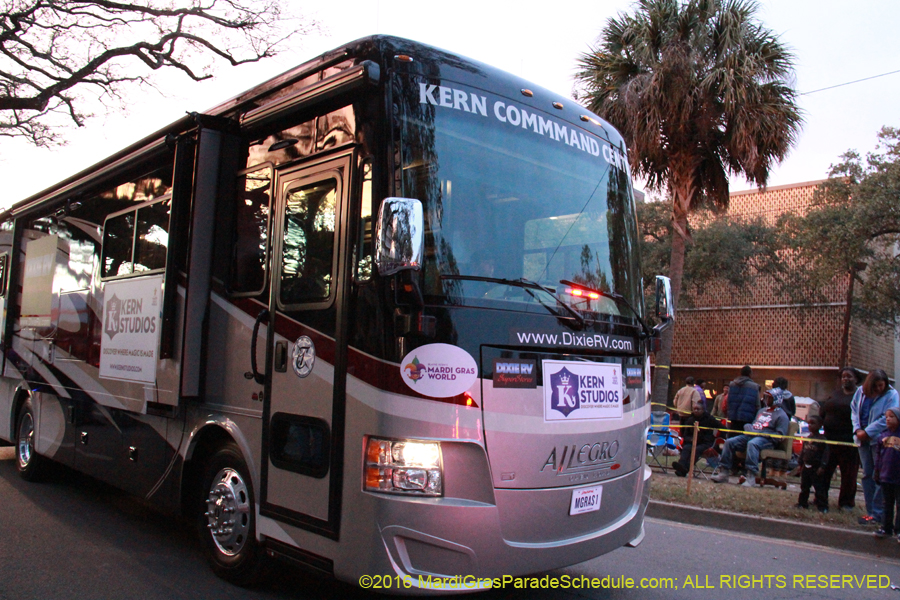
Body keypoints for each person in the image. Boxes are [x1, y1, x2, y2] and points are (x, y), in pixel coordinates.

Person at [851, 369, 900, 526]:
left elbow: (886, 418)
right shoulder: (860, 392)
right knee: (867, 474)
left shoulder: (891, 395)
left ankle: (879, 513)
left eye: (881, 385)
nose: (879, 389)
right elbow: (854, 411)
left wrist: (868, 432)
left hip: (879, 439)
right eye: (876, 386)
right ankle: (871, 511)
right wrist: (857, 430)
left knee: (879, 476)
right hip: (862, 439)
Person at [712, 390, 789, 486]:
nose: (767, 399)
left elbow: (780, 436)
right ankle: (724, 472)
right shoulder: (762, 411)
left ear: (777, 399)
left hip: (766, 440)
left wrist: (763, 434)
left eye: (770, 398)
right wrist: (749, 427)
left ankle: (751, 475)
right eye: (766, 397)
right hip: (751, 435)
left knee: (752, 444)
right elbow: (755, 424)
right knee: (729, 442)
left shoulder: (782, 416)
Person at [820, 367, 861, 511]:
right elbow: (823, 411)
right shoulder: (835, 394)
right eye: (843, 376)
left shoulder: (859, 396)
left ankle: (846, 503)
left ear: (856, 379)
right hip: (829, 439)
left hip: (848, 441)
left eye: (849, 376)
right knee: (824, 471)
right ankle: (821, 499)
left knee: (848, 474)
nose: (845, 379)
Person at [672, 401, 720, 477]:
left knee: (696, 449)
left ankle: (686, 468)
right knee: (686, 447)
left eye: (698, 409)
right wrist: (690, 439)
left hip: (706, 443)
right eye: (694, 409)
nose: (696, 411)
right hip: (692, 441)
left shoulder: (710, 419)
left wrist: (718, 438)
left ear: (703, 410)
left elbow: (722, 428)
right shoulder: (690, 420)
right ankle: (681, 466)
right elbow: (685, 435)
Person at [873, 406, 900, 540]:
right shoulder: (883, 436)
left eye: (892, 416)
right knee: (887, 504)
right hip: (886, 476)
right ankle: (886, 528)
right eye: (886, 417)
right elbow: (879, 455)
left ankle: (898, 530)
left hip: (898, 477)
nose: (888, 419)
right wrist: (877, 471)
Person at [795, 414, 830, 512]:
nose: (810, 425)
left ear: (819, 425)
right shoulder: (808, 438)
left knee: (819, 488)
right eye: (809, 423)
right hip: (806, 467)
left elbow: (826, 455)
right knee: (804, 487)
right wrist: (800, 463)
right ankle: (802, 503)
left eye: (813, 423)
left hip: (816, 467)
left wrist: (822, 466)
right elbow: (803, 452)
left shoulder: (822, 440)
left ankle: (822, 506)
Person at [726, 365, 760, 438]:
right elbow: (757, 404)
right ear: (750, 374)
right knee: (744, 440)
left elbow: (728, 401)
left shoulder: (732, 385)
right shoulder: (754, 386)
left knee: (732, 437)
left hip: (733, 416)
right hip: (747, 418)